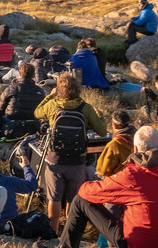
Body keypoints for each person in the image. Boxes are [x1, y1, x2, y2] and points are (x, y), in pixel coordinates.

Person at [33, 126, 158, 248]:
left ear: (136, 149)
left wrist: (115, 182)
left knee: (80, 200)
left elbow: (86, 192)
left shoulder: (133, 176)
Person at [33, 74, 108, 231]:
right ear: (78, 89)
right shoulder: (86, 108)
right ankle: (69, 232)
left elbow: (37, 112)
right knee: (73, 199)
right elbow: (102, 131)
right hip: (77, 161)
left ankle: (53, 232)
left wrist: (50, 96)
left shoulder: (53, 105)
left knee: (54, 198)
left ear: (60, 89)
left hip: (55, 159)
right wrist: (99, 113)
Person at [0, 63, 45, 134]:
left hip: (11, 122)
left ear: (20, 73)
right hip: (31, 122)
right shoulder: (39, 91)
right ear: (33, 75)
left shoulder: (11, 88)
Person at [96, 110, 136, 178]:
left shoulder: (114, 145)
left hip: (119, 180)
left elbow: (102, 170)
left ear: (114, 125)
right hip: (136, 178)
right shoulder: (138, 139)